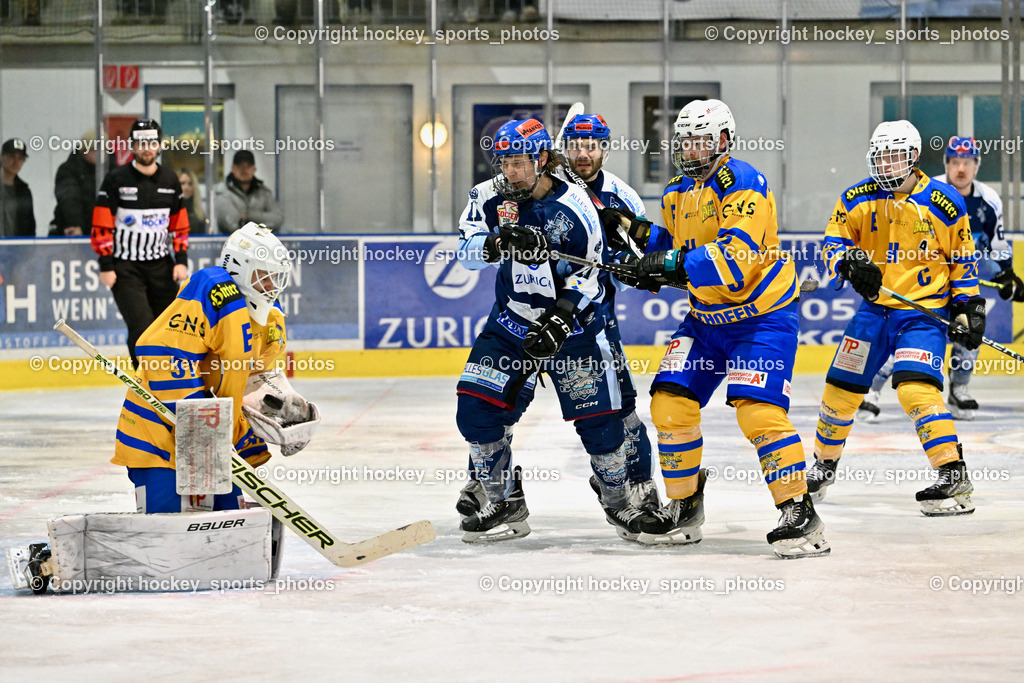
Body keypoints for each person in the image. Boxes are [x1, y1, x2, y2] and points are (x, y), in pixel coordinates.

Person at [7, 224, 320, 594]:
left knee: (226, 525)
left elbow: (258, 383)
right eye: (264, 275)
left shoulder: (272, 321)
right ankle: (47, 560)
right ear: (239, 268)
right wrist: (198, 410)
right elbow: (158, 350)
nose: (271, 285)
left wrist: (288, 418)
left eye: (277, 278)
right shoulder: (214, 290)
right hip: (158, 434)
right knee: (165, 533)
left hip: (210, 439)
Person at [615, 98, 829, 558]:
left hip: (761, 318)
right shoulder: (675, 191)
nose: (691, 151)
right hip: (705, 321)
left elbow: (733, 255)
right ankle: (684, 506)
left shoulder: (744, 181)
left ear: (724, 142)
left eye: (701, 142)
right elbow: (677, 245)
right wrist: (640, 236)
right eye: (685, 142)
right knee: (669, 404)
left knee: (757, 412)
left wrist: (669, 264)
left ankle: (799, 510)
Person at [454, 118, 655, 543]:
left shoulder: (580, 206)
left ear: (542, 159)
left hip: (578, 328)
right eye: (504, 161)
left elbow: (593, 277)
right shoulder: (487, 196)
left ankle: (621, 499)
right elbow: (466, 253)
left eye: (520, 162)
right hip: (511, 324)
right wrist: (496, 243)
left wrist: (562, 317)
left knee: (604, 425)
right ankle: (501, 497)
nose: (510, 171)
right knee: (476, 409)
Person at [806, 120, 982, 517]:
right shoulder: (855, 197)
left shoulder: (945, 201)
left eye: (894, 157)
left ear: (913, 157)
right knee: (840, 389)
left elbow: (962, 259)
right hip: (874, 311)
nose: (885, 165)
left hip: (923, 316)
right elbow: (832, 244)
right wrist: (847, 260)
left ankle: (953, 472)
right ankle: (822, 465)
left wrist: (969, 307)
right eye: (880, 157)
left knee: (914, 389)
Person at [856, 136, 1023, 421]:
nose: (961, 168)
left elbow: (995, 245)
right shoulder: (925, 191)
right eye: (955, 162)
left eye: (967, 162)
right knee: (906, 338)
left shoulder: (989, 201)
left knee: (967, 334)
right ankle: (870, 390)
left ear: (976, 165)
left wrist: (1006, 273)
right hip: (922, 283)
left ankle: (959, 391)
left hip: (961, 282)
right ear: (946, 164)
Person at [558, 113, 660, 514]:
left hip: (591, 319)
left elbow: (641, 256)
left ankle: (641, 484)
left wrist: (632, 267)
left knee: (623, 408)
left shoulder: (623, 196)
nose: (583, 154)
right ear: (565, 147)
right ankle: (487, 486)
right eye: (576, 145)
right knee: (501, 403)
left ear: (604, 147)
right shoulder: (547, 186)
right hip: (533, 321)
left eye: (592, 145)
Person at [91, 119, 190, 368]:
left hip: (161, 266)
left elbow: (179, 224)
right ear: (133, 146)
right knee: (142, 327)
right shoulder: (116, 180)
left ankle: (167, 379)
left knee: (168, 327)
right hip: (126, 268)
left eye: (152, 143)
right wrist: (106, 264)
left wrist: (181, 260)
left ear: (159, 146)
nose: (147, 148)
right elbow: (102, 223)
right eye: (141, 143)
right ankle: (144, 381)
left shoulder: (170, 180)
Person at [214, 150, 284, 234]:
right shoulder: (223, 191)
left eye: (248, 166)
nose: (244, 170)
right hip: (231, 244)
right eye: (240, 166)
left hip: (260, 243)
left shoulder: (263, 192)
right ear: (233, 168)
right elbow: (231, 224)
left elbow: (277, 220)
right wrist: (261, 223)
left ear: (254, 169)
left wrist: (248, 215)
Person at [49, 130, 98, 237]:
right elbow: (69, 198)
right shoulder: (69, 169)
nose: (99, 153)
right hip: (76, 231)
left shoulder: (112, 171)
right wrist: (74, 224)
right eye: (94, 149)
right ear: (83, 150)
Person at [1, 137, 35, 237]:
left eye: (20, 158)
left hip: (16, 249)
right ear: (2, 157)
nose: (16, 162)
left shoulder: (24, 192)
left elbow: (30, 226)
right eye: (12, 156)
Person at [179, 168, 208, 235]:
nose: (186, 187)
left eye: (190, 184)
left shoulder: (200, 214)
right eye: (182, 183)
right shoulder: (171, 212)